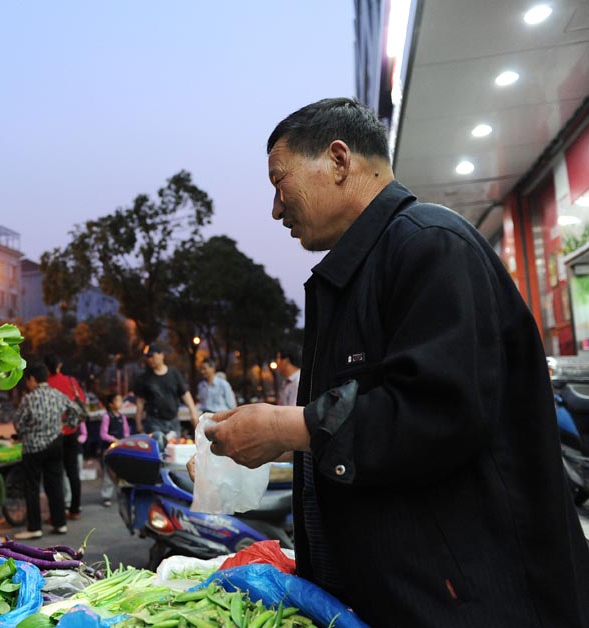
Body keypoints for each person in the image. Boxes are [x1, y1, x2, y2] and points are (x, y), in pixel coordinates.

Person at [204, 97, 589, 627]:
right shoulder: (353, 274)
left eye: (280, 181)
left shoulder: (430, 244)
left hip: (465, 602)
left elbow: (436, 410)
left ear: (339, 161)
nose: (276, 207)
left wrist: (286, 427)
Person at [12, 363, 84, 539]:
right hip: (55, 445)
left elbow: (18, 423)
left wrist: (24, 432)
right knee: (55, 485)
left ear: (32, 379)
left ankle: (35, 527)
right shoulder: (58, 395)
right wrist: (68, 425)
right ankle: (60, 524)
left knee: (32, 488)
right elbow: (77, 410)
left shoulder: (29, 399)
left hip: (33, 448)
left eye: (27, 380)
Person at [43, 354, 86, 520]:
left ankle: (57, 514)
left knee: (55, 475)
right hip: (72, 432)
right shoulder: (71, 381)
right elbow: (81, 400)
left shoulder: (46, 384)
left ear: (46, 367)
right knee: (73, 472)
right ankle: (75, 509)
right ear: (59, 365)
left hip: (54, 434)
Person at [134, 343, 200, 436]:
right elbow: (140, 401)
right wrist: (138, 421)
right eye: (148, 357)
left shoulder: (174, 374)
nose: (150, 359)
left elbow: (185, 394)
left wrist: (193, 412)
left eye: (152, 356)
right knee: (158, 445)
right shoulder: (144, 378)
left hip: (173, 421)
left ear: (161, 355)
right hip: (154, 422)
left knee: (174, 447)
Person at [98, 392, 130, 507]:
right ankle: (106, 496)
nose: (120, 403)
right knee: (108, 473)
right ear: (111, 404)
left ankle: (122, 493)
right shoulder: (107, 417)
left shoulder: (123, 417)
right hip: (109, 449)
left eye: (121, 400)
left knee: (121, 472)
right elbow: (103, 434)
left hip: (121, 449)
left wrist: (125, 441)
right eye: (117, 400)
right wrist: (114, 439)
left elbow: (126, 432)